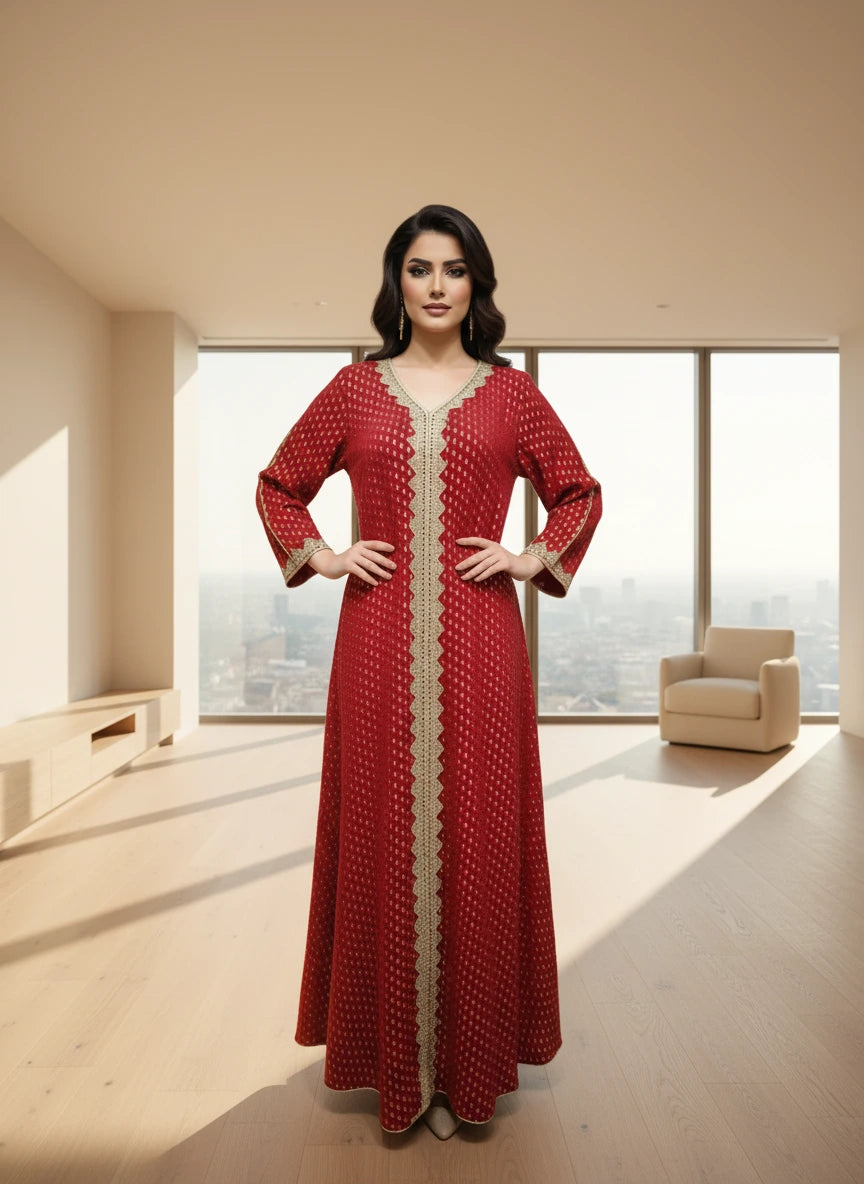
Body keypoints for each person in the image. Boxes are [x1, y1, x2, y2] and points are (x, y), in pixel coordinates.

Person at [255, 204, 602, 1139]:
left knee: (479, 841)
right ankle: (398, 1073)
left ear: (476, 284)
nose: (438, 285)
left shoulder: (513, 393)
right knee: (382, 833)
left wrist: (532, 557)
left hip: (486, 645)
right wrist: (323, 554)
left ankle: (468, 1073)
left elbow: (578, 488)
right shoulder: (354, 389)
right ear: (396, 281)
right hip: (373, 641)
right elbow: (279, 482)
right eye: (420, 268)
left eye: (455, 269)